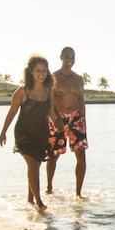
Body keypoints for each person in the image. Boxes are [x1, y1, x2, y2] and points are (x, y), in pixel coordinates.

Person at [0, 54, 62, 212]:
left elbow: (51, 113)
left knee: (36, 165)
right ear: (31, 72)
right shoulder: (22, 91)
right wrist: (3, 132)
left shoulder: (49, 91)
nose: (41, 73)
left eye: (44, 70)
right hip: (24, 132)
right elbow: (12, 112)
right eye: (37, 70)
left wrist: (59, 126)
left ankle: (29, 198)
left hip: (41, 133)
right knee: (32, 164)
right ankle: (39, 203)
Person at [46, 46, 88, 198]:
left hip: (76, 118)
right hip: (58, 117)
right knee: (54, 155)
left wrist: (83, 120)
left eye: (73, 57)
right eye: (67, 56)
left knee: (81, 154)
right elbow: (49, 102)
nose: (70, 59)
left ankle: (78, 193)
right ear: (61, 57)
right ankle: (49, 188)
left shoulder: (79, 79)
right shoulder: (53, 78)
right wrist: (54, 119)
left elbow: (81, 101)